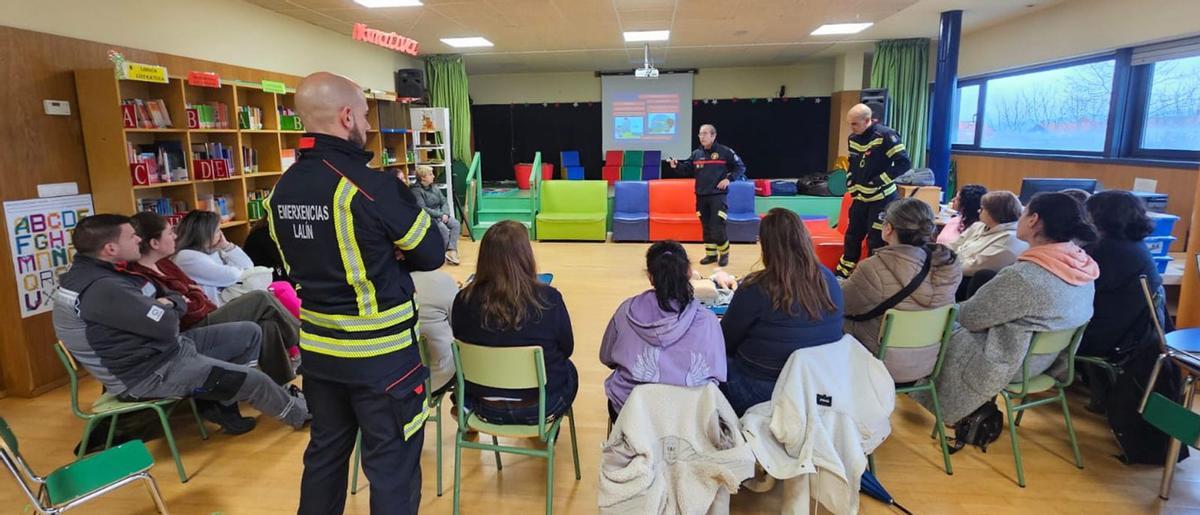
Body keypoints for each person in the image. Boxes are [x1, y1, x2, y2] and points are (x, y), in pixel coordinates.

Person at [267, 72, 445, 515]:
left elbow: (298, 262)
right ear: (347, 116)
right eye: (364, 115)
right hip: (382, 358)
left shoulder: (280, 189)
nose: (366, 123)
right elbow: (432, 253)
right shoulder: (371, 186)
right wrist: (391, 253)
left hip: (321, 354)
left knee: (325, 456)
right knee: (391, 466)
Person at [51, 214, 309, 436]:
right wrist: (173, 303)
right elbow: (165, 324)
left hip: (165, 349)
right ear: (110, 248)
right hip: (151, 371)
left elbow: (168, 302)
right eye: (131, 237)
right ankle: (302, 415)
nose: (138, 241)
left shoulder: (96, 274)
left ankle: (222, 400)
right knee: (253, 379)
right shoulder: (104, 288)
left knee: (250, 332)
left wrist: (169, 302)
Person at [912, 192, 1098, 425]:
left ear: (1033, 220)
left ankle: (911, 393)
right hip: (1045, 361)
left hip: (1009, 364)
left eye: (1024, 211)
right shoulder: (1082, 266)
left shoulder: (1025, 277)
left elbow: (970, 316)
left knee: (934, 329)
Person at [127, 211, 299, 385]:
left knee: (267, 325)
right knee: (261, 298)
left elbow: (195, 292)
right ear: (155, 243)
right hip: (196, 323)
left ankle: (283, 387)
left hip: (206, 312)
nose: (175, 236)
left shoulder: (165, 264)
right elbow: (219, 283)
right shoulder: (182, 258)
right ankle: (303, 340)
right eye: (170, 232)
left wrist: (226, 247)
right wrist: (188, 297)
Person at [720, 208, 844, 415]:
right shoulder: (828, 279)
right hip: (816, 386)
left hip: (761, 390)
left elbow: (724, 340)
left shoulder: (757, 287)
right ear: (804, 237)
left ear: (767, 246)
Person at [452, 221, 577, 424]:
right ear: (526, 255)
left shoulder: (463, 299)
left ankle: (465, 409)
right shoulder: (549, 298)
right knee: (569, 369)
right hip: (540, 405)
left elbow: (460, 338)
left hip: (482, 404)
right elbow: (567, 348)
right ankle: (540, 435)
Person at [599, 241, 726, 420]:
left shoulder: (626, 311)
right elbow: (718, 373)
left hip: (632, 417)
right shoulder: (708, 320)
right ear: (688, 273)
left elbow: (607, 357)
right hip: (689, 420)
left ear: (651, 277)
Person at [842, 198, 961, 383]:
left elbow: (840, 305)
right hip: (928, 363)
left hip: (877, 363)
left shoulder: (873, 268)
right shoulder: (948, 267)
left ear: (888, 228)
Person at [1079, 191, 1162, 359]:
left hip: (1102, 340)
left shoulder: (1106, 250)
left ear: (1100, 217)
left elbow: (1071, 293)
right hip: (1126, 335)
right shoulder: (1133, 245)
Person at [836, 103, 911, 278]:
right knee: (852, 236)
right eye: (850, 124)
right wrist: (850, 180)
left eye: (855, 124)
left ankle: (871, 278)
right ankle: (843, 274)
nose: (851, 128)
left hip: (881, 199)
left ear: (868, 120)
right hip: (860, 198)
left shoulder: (886, 135)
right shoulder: (853, 138)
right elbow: (854, 163)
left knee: (876, 240)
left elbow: (904, 164)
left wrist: (878, 181)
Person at [668, 124, 745, 266]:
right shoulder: (697, 153)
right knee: (706, 227)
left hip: (717, 196)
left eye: (704, 134)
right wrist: (676, 165)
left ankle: (724, 254)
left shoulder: (724, 152)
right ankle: (711, 255)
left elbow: (740, 167)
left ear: (713, 135)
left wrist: (729, 179)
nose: (701, 137)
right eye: (700, 134)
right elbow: (686, 169)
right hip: (701, 196)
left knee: (717, 227)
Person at [951, 191, 1028, 300]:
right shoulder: (978, 226)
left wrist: (946, 264)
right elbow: (954, 245)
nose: (978, 211)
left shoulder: (1011, 239)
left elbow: (973, 267)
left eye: (982, 209)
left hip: (969, 283)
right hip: (953, 270)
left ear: (994, 213)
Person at [172, 210, 255, 305]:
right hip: (213, 312)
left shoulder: (213, 251)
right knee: (262, 298)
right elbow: (232, 276)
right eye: (217, 230)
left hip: (226, 305)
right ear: (204, 234)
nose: (221, 235)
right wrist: (239, 270)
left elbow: (248, 266)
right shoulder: (186, 257)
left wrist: (227, 246)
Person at [410, 269, 458, 394]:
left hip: (394, 383)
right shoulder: (441, 281)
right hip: (437, 379)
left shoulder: (382, 282)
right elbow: (459, 327)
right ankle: (461, 402)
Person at [412, 164, 461, 265]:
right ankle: (443, 253)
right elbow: (423, 209)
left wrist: (446, 214)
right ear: (423, 178)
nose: (433, 176)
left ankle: (451, 251)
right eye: (430, 174)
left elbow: (444, 201)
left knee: (455, 224)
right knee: (442, 228)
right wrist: (440, 215)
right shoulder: (416, 191)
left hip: (442, 214)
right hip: (429, 217)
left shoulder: (434, 187)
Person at [243, 218, 290, 283]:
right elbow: (284, 261)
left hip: (262, 276)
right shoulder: (265, 235)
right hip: (262, 279)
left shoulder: (262, 230)